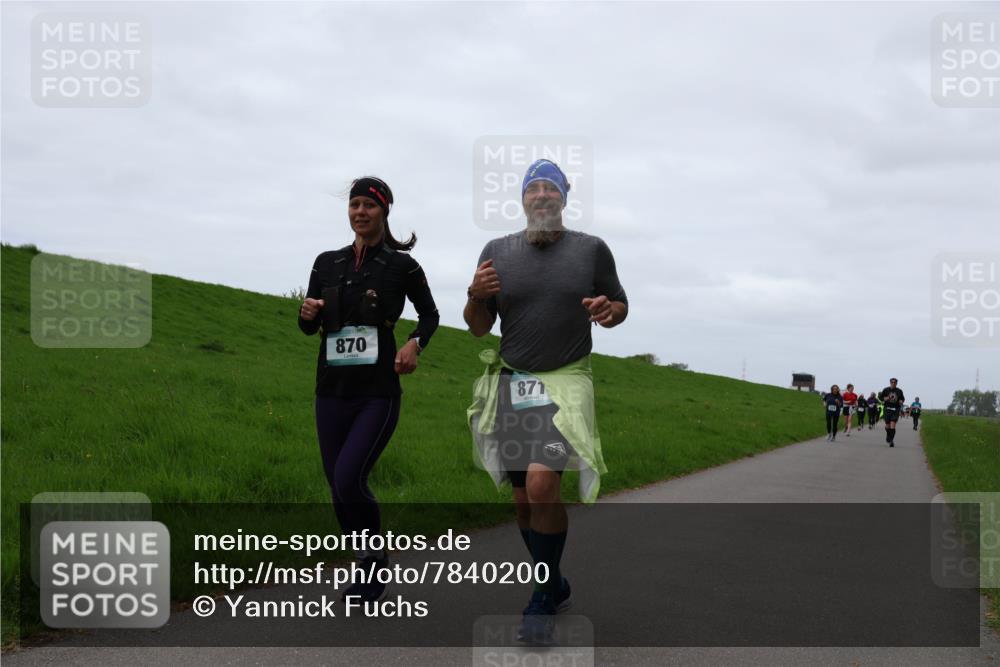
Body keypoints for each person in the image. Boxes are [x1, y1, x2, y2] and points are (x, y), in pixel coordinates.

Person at [465, 159, 627, 645]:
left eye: (550, 189)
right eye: (533, 188)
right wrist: (474, 294)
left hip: (567, 385)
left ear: (563, 198)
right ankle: (553, 581)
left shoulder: (591, 250)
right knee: (521, 502)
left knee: (540, 485)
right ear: (522, 199)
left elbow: (619, 306)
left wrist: (607, 311)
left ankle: (539, 597)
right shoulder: (498, 251)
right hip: (515, 384)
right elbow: (477, 325)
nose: (541, 196)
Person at [298, 176, 440, 602]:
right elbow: (309, 327)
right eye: (355, 204)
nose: (360, 212)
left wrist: (415, 343)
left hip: (377, 392)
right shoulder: (326, 262)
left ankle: (373, 563)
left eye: (369, 206)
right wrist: (307, 312)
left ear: (385, 211)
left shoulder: (402, 266)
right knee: (337, 489)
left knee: (349, 478)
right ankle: (367, 563)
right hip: (330, 389)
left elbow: (429, 315)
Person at [879, 377, 905, 447]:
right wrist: (886, 398)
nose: (893, 383)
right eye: (892, 382)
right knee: (887, 426)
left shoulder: (899, 391)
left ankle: (891, 441)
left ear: (896, 383)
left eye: (895, 382)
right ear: (890, 383)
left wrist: (901, 401)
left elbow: (902, 399)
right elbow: (881, 398)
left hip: (895, 409)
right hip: (887, 409)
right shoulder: (886, 390)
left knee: (893, 425)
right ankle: (888, 434)